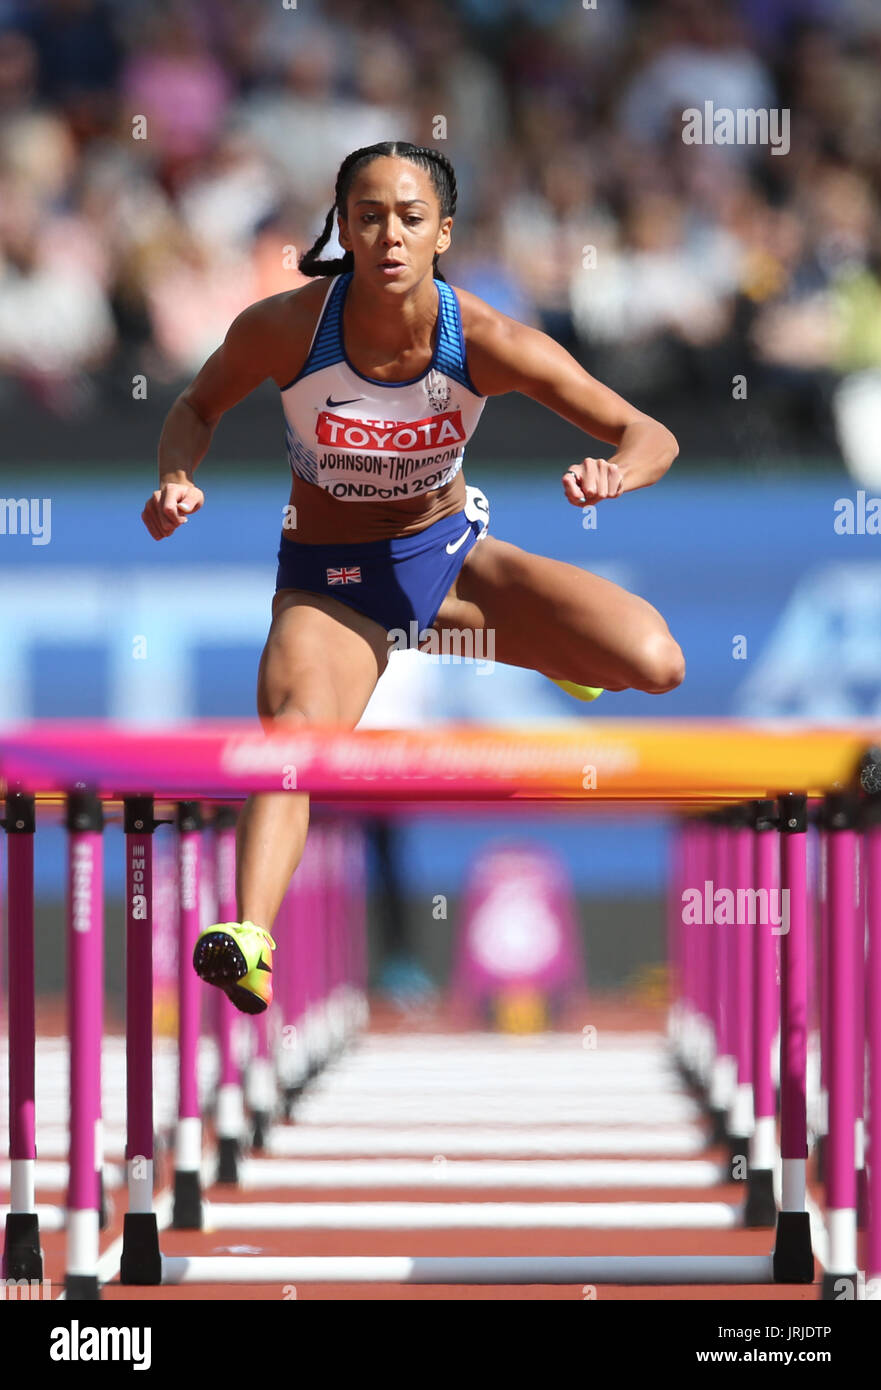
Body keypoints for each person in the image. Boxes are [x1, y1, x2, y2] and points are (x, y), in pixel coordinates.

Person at [142, 141, 684, 1014]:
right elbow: (195, 406)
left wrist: (614, 473)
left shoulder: (489, 340)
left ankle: (540, 652)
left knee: (656, 663)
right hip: (331, 585)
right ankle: (248, 934)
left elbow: (649, 433)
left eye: (409, 217)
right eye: (369, 216)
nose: (389, 235)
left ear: (443, 234)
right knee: (293, 744)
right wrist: (174, 476)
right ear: (344, 228)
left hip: (447, 564)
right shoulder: (286, 326)